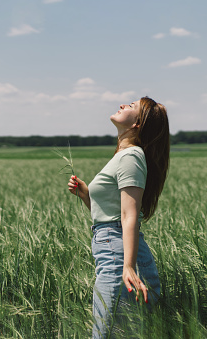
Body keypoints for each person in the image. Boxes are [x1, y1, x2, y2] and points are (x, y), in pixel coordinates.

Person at [67, 96, 170, 338]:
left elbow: (129, 215)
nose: (123, 104)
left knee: (106, 333)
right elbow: (112, 212)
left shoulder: (131, 156)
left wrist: (128, 266)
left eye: (131, 106)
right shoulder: (124, 156)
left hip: (118, 254)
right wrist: (86, 196)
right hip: (112, 248)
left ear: (137, 124)